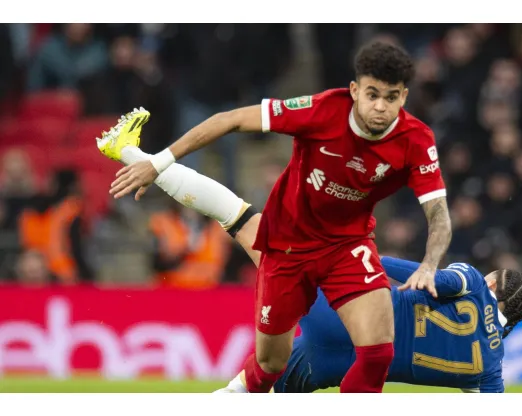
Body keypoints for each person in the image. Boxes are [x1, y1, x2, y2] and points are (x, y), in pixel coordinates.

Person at [101, 42, 452, 393]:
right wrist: (158, 161)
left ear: (403, 97)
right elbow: (231, 119)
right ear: (355, 90)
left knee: (377, 353)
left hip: (348, 245)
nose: (379, 107)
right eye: (372, 94)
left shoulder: (416, 140)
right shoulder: (322, 110)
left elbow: (438, 213)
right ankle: (235, 393)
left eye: (390, 98)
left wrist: (430, 263)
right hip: (287, 246)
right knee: (271, 364)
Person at [95, 128, 522, 393]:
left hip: (348, 314)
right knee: (256, 394)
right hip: (336, 364)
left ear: (497, 287)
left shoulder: (474, 284)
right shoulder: (490, 370)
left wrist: (352, 259)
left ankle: (131, 153)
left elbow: (428, 280)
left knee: (240, 217)